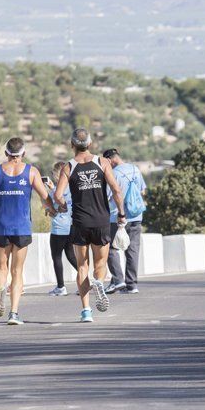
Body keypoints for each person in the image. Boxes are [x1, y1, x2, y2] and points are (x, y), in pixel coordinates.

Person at [0, 137, 56, 325]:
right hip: (22, 227)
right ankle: (13, 313)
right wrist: (51, 210)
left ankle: (0, 289)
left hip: (2, 227)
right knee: (17, 271)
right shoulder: (31, 172)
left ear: (6, 153)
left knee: (1, 267)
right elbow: (45, 197)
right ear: (24, 154)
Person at [54, 128, 126, 323]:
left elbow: (58, 195)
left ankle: (86, 310)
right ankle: (99, 282)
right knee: (100, 264)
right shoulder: (102, 162)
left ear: (72, 145)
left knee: (82, 266)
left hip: (79, 222)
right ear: (91, 144)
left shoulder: (68, 167)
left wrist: (63, 207)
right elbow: (116, 190)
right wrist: (121, 213)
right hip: (101, 220)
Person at [102, 148, 147, 294]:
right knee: (132, 250)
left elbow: (108, 196)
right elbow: (143, 191)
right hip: (136, 216)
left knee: (110, 249)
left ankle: (118, 280)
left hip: (117, 217)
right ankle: (132, 285)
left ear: (110, 159)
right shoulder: (135, 169)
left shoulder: (113, 174)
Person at [46, 161, 77, 296]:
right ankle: (87, 280)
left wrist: (48, 209)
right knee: (71, 255)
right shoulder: (73, 188)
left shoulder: (57, 190)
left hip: (59, 227)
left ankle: (61, 287)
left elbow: (54, 209)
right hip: (71, 226)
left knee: (56, 257)